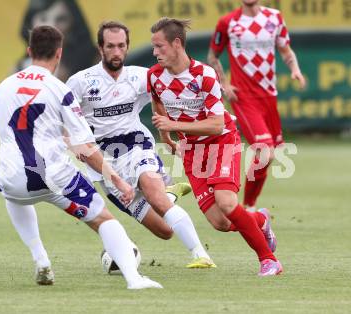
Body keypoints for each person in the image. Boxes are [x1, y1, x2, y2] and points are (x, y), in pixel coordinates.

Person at [0, 25, 162, 290]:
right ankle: (134, 279)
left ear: (29, 51)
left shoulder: (4, 87)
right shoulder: (60, 91)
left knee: (13, 193)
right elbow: (86, 149)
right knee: (105, 220)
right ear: (59, 54)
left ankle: (41, 258)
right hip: (56, 178)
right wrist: (118, 180)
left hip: (14, 181)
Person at [66, 21, 215, 269]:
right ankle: (171, 192)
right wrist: (74, 145)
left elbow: (160, 98)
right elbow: (65, 123)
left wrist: (167, 135)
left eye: (121, 46)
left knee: (153, 193)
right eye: (110, 46)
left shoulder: (141, 76)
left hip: (136, 146)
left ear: (127, 47)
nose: (116, 52)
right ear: (100, 47)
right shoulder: (80, 82)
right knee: (165, 230)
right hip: (102, 162)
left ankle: (200, 254)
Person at [149, 17, 282, 276]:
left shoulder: (204, 75)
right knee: (220, 222)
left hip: (221, 142)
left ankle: (269, 260)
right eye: (153, 47)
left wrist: (173, 124)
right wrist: (167, 137)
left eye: (159, 46)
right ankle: (260, 220)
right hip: (191, 152)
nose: (154, 52)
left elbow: (215, 124)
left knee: (227, 203)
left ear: (177, 44)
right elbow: (157, 103)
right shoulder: (154, 76)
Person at [207, 0, 306, 210]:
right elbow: (212, 56)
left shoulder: (274, 17)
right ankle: (247, 208)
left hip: (269, 96)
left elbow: (286, 51)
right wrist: (224, 83)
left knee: (269, 155)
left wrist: (295, 69)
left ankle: (248, 205)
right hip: (243, 97)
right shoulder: (228, 22)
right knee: (265, 152)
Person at [15, 0, 98, 81]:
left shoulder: (97, 62)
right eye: (43, 19)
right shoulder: (21, 68)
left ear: (74, 25)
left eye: (61, 19)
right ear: (30, 24)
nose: (52, 27)